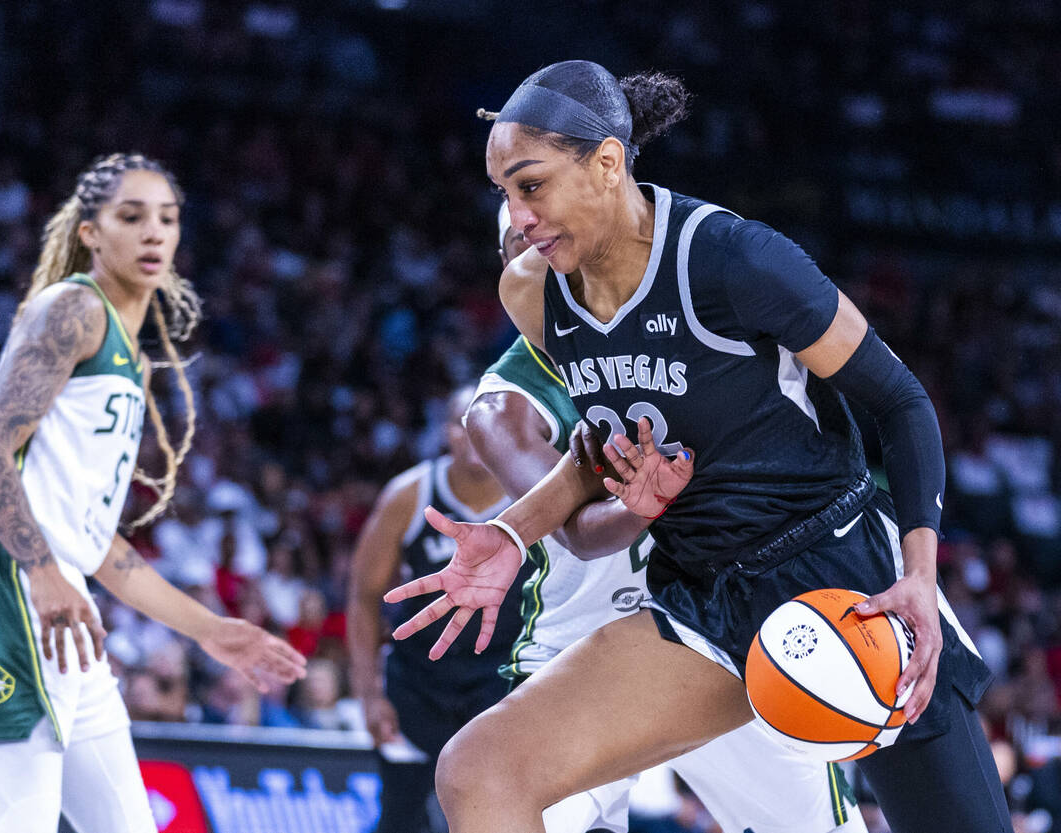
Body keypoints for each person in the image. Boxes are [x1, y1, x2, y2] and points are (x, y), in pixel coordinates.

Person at [386, 61, 1011, 833]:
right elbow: (595, 452)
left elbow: (901, 401)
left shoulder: (734, 259)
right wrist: (516, 529)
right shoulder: (531, 291)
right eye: (503, 194)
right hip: (701, 597)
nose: (516, 216)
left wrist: (919, 573)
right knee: (479, 771)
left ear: (607, 163)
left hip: (842, 574)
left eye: (531, 185)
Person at [0, 153, 307, 833]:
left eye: (168, 219)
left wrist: (211, 629)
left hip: (65, 599)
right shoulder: (73, 310)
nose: (154, 233)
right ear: (90, 232)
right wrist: (41, 571)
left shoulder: (129, 350)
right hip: (6, 581)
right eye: (132, 216)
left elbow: (99, 545)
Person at [466, 205, 864, 833]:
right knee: (505, 797)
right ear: (508, 268)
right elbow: (576, 533)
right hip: (584, 639)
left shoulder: (678, 335)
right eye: (524, 244)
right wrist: (636, 505)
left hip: (715, 629)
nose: (545, 254)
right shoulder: (503, 406)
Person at [347, 386, 531, 833]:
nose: (472, 434)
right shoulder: (409, 495)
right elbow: (361, 596)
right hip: (416, 683)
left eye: (486, 423)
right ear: (445, 431)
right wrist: (368, 696)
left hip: (498, 681)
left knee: (489, 815)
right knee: (401, 817)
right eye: (460, 422)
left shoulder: (533, 492)